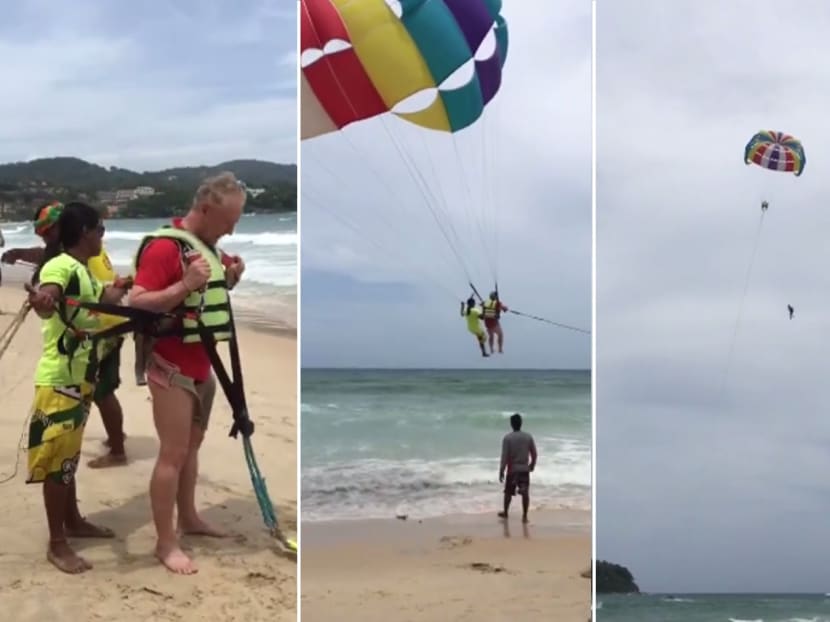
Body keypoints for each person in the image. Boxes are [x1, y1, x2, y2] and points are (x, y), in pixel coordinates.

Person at [129, 172, 246, 575]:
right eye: (230, 219)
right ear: (206, 209)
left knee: (192, 449)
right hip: (171, 367)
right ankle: (166, 543)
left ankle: (191, 518)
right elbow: (139, 302)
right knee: (172, 454)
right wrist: (185, 283)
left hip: (203, 365)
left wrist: (228, 275)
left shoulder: (208, 248)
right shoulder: (165, 248)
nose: (234, 227)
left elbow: (206, 295)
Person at [24, 202, 130, 574]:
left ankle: (73, 521)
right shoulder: (60, 266)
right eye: (100, 229)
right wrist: (43, 300)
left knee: (68, 459)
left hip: (80, 379)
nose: (103, 236)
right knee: (58, 463)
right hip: (59, 382)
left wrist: (122, 288)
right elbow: (47, 296)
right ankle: (57, 544)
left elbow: (100, 303)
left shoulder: (82, 271)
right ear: (85, 230)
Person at [3, 201, 129, 467]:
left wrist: (43, 298)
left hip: (101, 332)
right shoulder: (77, 256)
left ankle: (118, 449)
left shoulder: (76, 258)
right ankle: (114, 440)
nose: (46, 239)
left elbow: (52, 272)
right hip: (96, 332)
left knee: (103, 392)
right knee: (98, 392)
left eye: (49, 232)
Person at [498, 413, 537, 523]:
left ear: (511, 424)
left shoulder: (507, 438)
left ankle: (505, 513)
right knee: (525, 493)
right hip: (524, 469)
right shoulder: (528, 437)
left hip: (512, 470)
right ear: (521, 423)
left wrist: (501, 470)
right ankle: (524, 516)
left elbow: (504, 456)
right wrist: (532, 465)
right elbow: (534, 453)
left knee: (508, 493)